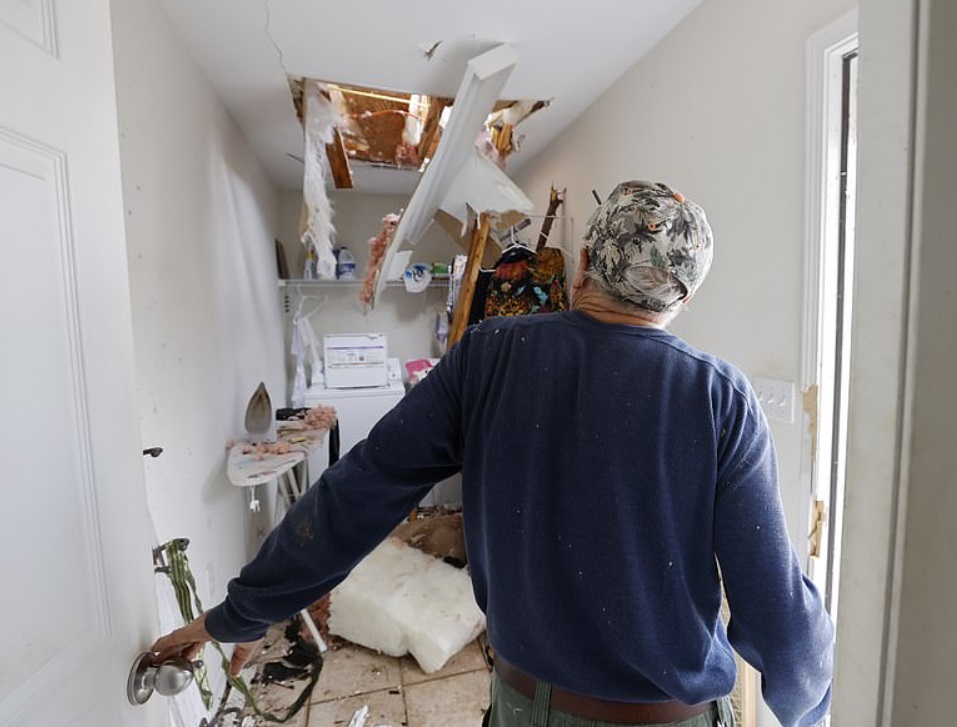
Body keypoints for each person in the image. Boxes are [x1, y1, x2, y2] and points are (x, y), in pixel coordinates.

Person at [153, 180, 834, 727]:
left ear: (587, 264)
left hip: (522, 703)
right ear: (683, 296)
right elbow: (774, 609)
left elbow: (354, 493)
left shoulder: (489, 355)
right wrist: (808, 710)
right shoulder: (718, 396)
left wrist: (237, 613)